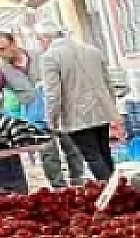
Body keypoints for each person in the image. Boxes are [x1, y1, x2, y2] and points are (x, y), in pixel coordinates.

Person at [0, 30, 86, 187]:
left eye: (3, 48)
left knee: (73, 148)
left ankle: (79, 183)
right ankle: (60, 189)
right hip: (36, 118)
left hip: (60, 111)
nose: (0, 54)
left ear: (14, 43)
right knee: (49, 155)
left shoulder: (42, 56)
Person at [39, 28, 118, 180]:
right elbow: (109, 83)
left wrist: (52, 119)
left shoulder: (49, 57)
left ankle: (110, 192)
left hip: (76, 116)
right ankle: (117, 188)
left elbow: (53, 93)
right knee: (104, 153)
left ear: (45, 39)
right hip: (102, 111)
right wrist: (112, 110)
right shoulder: (93, 51)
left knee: (92, 156)